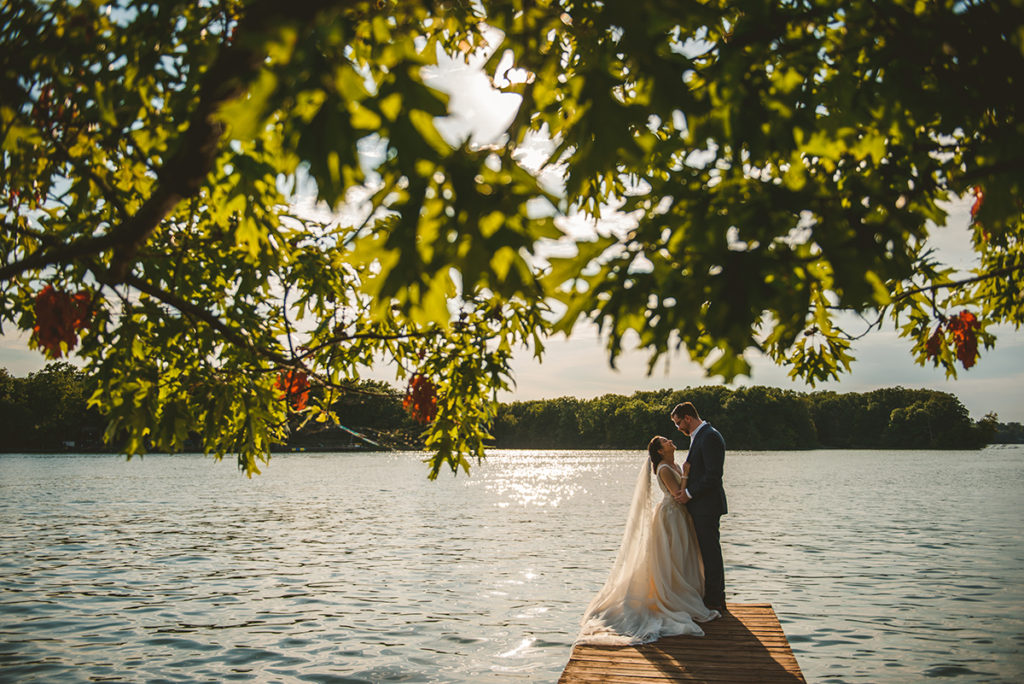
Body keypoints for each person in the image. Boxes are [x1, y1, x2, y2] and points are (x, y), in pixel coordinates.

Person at [575, 435, 720, 645]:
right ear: (660, 451)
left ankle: (688, 592)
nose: (671, 442)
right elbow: (678, 493)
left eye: (669, 440)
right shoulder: (663, 468)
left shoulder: (674, 464)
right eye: (666, 442)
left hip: (681, 516)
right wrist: (687, 474)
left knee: (684, 556)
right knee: (673, 556)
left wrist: (685, 472)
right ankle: (673, 597)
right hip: (671, 517)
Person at [670, 401, 727, 612]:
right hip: (701, 507)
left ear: (687, 418)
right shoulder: (699, 436)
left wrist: (689, 493)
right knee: (706, 552)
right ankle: (711, 596)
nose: (678, 428)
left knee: (711, 553)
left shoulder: (710, 436)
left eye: (678, 423)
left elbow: (713, 475)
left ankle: (715, 600)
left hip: (707, 506)